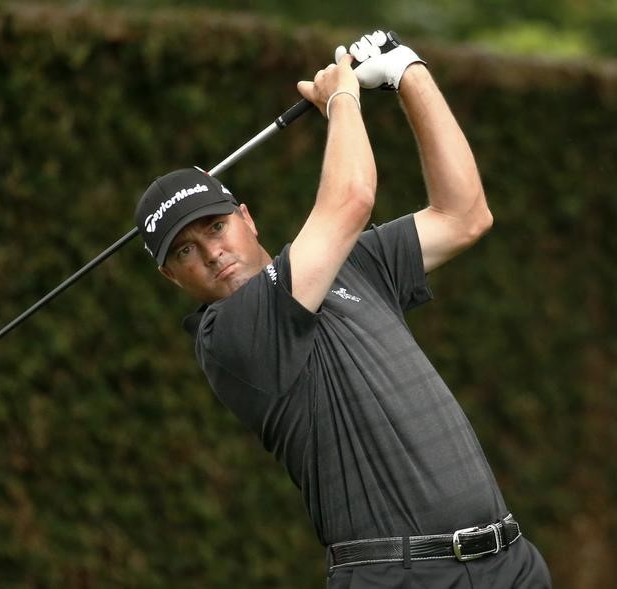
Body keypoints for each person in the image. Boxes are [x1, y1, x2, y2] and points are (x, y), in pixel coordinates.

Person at [134, 31, 552, 587]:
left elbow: (464, 215)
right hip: (397, 576)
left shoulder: (352, 265)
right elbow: (350, 200)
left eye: (216, 227)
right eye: (185, 250)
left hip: (511, 562)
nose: (212, 254)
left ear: (247, 218)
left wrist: (408, 72)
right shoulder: (229, 335)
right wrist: (342, 96)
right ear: (170, 276)